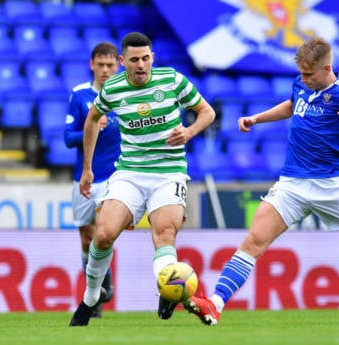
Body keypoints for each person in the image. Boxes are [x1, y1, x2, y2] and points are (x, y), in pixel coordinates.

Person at [182, 36, 339, 326]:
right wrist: (256, 118)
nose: (303, 79)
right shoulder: (301, 84)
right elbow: (292, 105)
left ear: (327, 68)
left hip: (329, 187)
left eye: (309, 74)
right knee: (253, 241)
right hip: (291, 184)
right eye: (301, 73)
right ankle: (215, 304)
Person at [68, 31, 216, 326]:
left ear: (152, 58)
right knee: (103, 234)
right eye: (134, 60)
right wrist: (87, 168)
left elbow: (206, 112)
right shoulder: (112, 89)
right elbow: (92, 120)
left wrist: (188, 132)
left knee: (164, 233)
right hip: (131, 173)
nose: (140, 65)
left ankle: (167, 289)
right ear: (122, 61)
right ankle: (91, 297)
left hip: (169, 172)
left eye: (145, 58)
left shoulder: (172, 80)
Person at [64, 42, 121, 318]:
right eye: (101, 65)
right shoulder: (80, 96)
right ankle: (95, 294)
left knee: (103, 232)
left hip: (116, 176)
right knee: (87, 238)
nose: (106, 70)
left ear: (118, 65)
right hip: (85, 177)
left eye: (111, 65)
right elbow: (67, 138)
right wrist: (91, 127)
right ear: (92, 65)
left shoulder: (126, 96)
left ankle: (101, 287)